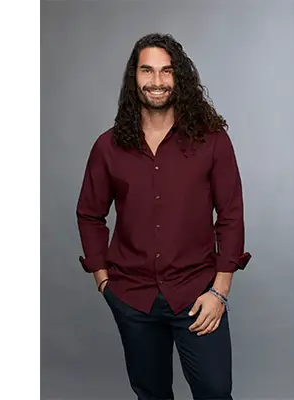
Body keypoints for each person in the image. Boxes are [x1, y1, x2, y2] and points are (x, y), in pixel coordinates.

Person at [76, 32, 251, 400]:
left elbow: (231, 214)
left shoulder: (212, 140)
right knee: (151, 394)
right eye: (147, 70)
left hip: (197, 293)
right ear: (134, 77)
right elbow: (90, 214)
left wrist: (219, 292)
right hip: (132, 296)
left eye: (166, 71)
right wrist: (104, 282)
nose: (156, 81)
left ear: (179, 77)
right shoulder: (108, 147)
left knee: (216, 392)